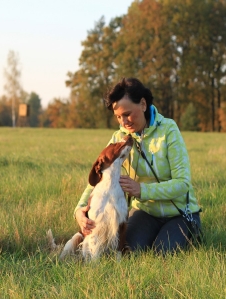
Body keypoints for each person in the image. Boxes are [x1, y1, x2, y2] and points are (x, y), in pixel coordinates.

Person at [74, 77, 202, 254]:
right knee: (129, 251)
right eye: (118, 117)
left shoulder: (168, 130)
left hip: (178, 213)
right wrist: (79, 210)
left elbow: (183, 183)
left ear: (143, 104)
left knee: (163, 251)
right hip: (145, 212)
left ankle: (190, 232)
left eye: (127, 114)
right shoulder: (119, 139)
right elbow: (98, 177)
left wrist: (142, 190)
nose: (124, 121)